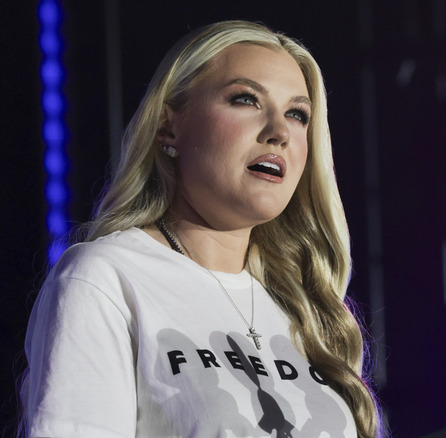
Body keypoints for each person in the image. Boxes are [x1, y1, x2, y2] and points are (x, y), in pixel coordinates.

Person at [22, 20, 382, 437]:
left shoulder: (305, 308)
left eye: (298, 114)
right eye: (246, 99)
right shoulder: (107, 277)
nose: (279, 132)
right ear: (168, 126)